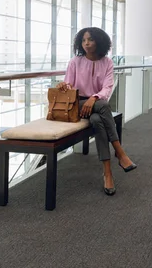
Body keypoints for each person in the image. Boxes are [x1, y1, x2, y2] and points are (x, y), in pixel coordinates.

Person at [57, 27, 137, 196]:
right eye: (84, 40)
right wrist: (64, 86)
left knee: (97, 121)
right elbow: (69, 85)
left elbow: (107, 88)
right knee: (103, 106)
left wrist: (93, 98)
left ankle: (107, 173)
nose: (86, 43)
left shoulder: (107, 62)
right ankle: (120, 152)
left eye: (90, 40)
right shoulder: (75, 62)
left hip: (96, 104)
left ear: (99, 42)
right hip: (78, 104)